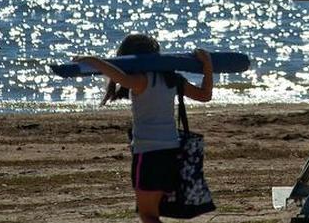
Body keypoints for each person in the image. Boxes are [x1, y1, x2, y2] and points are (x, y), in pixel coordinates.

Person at [76, 34, 214, 223]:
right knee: (152, 213)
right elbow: (205, 95)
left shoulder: (141, 80)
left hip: (148, 154)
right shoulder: (173, 79)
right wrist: (207, 66)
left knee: (148, 215)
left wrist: (93, 61)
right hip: (171, 153)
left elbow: (119, 77)